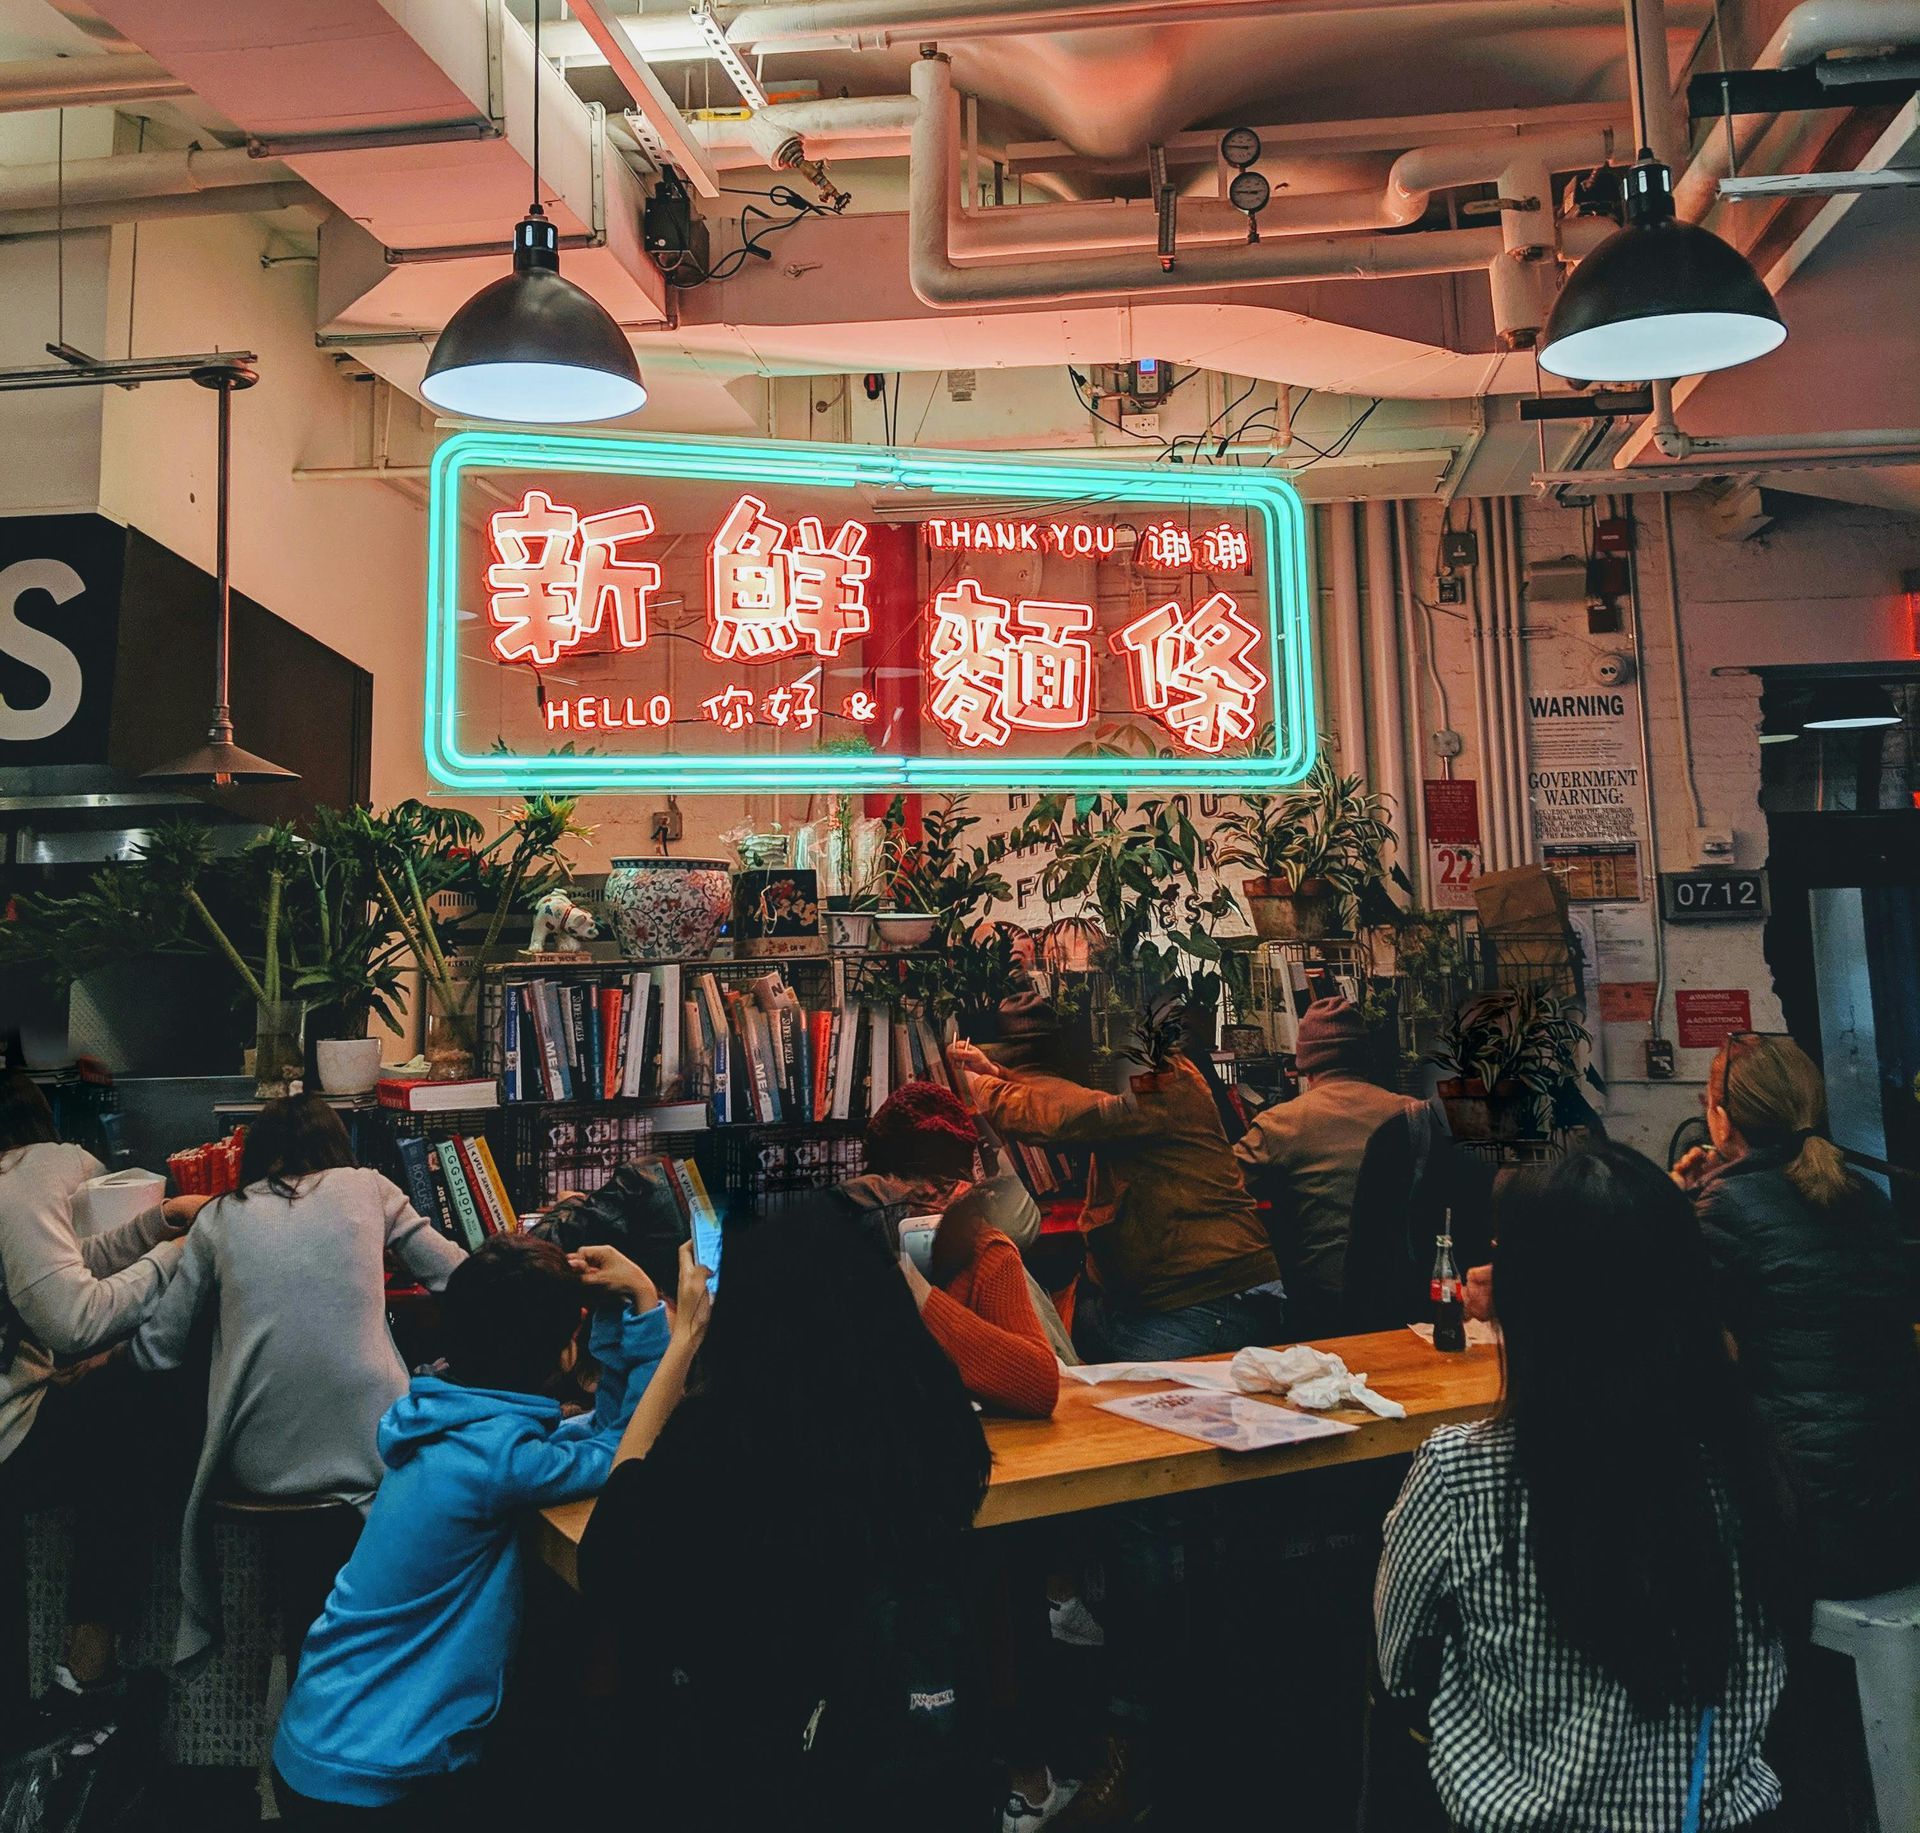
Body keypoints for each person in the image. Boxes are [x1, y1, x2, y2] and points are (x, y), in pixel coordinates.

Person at [1375, 1143, 1795, 1832]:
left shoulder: (1458, 1474)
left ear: (1533, 1304)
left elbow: (1400, 1669)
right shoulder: (1750, 1461)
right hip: (1719, 1813)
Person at [579, 1200, 993, 1832]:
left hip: (760, 1775)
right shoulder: (933, 1431)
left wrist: (683, 1341)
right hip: (908, 1757)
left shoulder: (726, 1443)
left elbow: (609, 1551)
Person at [271, 1232, 675, 1828]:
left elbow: (597, 1436)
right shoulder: (500, 1462)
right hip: (376, 1779)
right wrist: (643, 1303)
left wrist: (617, 1319)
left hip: (324, 1741)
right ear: (566, 1349)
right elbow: (627, 1451)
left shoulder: (448, 1422)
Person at [129, 1096, 468, 1668]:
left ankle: (292, 1689)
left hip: (257, 1468)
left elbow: (158, 1350)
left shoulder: (218, 1217)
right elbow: (461, 1279)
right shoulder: (371, 1187)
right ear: (339, 1149)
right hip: (373, 1458)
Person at [1676, 1032, 1920, 1599]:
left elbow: (1676, 1338)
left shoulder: (1726, 1207)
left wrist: (1673, 1205)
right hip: (1902, 1510)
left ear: (1720, 1118)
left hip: (1815, 1530)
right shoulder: (1867, 1197)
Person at [0, 1072, 207, 1711]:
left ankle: (86, 1661)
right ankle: (89, 1662)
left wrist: (155, 1224)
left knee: (117, 1409)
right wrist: (173, 1254)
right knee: (137, 1410)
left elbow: (58, 1265)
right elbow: (74, 1317)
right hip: (9, 1441)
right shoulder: (31, 1171)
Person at [951, 992, 1282, 1362]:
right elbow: (1069, 1099)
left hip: (1206, 1302)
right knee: (1067, 1321)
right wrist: (998, 1074)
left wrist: (981, 1087)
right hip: (1200, 1294)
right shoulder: (1151, 1073)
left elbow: (1066, 1115)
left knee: (1058, 1352)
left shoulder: (1159, 1078)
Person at [1233, 997, 1432, 1338]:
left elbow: (1220, 1190)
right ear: (1365, 1057)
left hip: (1322, 1304)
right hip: (1410, 1300)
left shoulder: (1280, 1124)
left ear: (1303, 1064)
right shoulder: (1415, 1114)